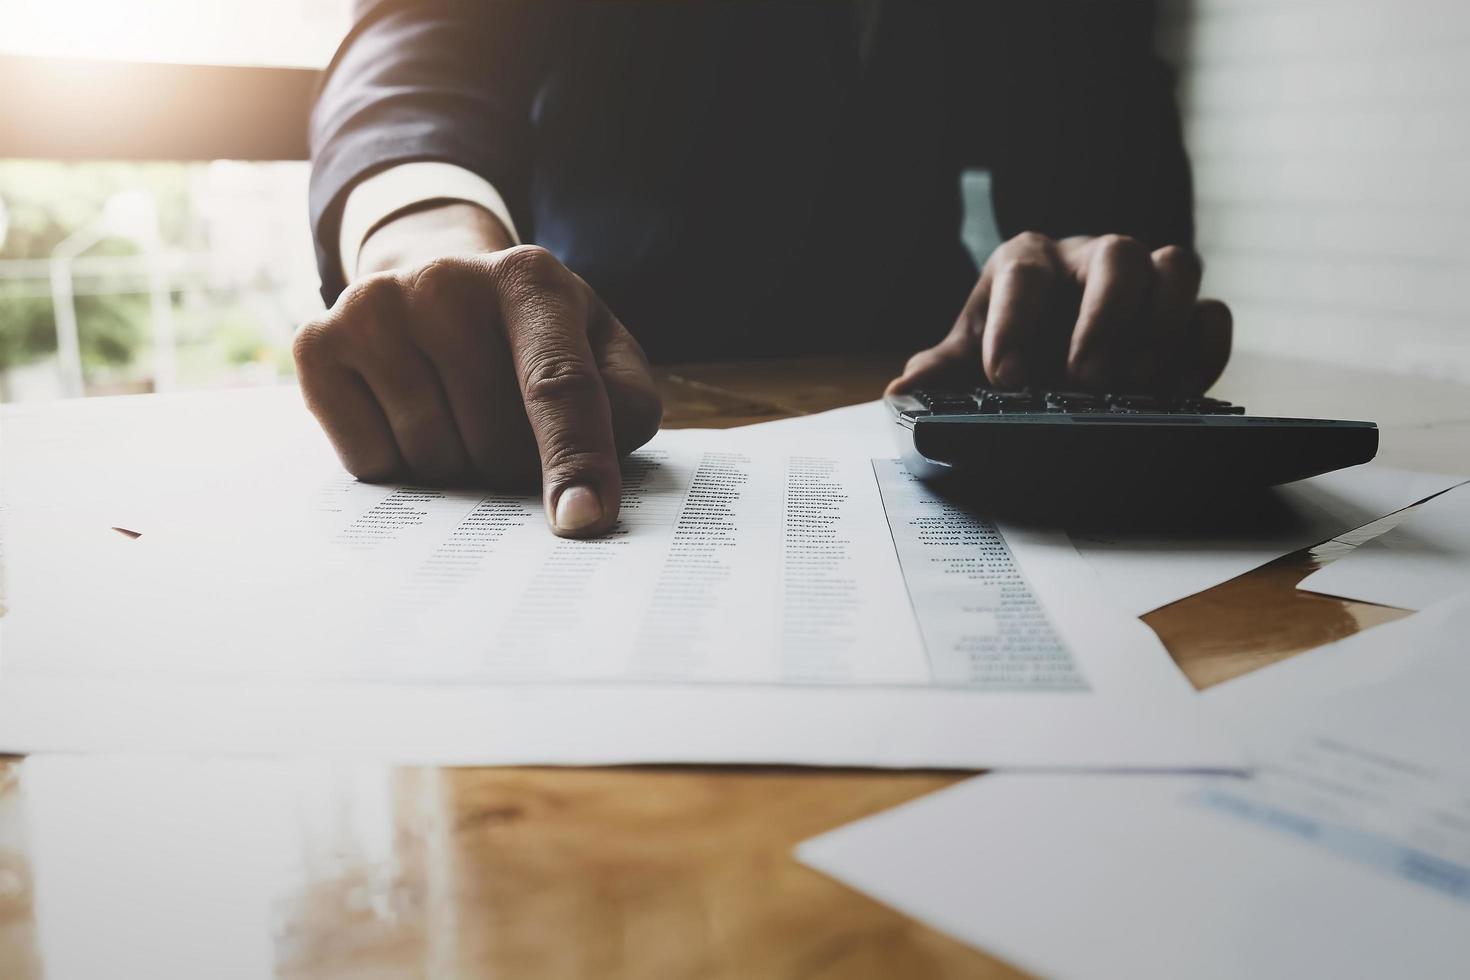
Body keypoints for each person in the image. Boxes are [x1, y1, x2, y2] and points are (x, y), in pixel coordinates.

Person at [300, 1, 1231, 537]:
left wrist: (1093, 283)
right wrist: (431, 247)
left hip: (921, 400)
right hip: (594, 378)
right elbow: (417, 54)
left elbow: (1105, 154)